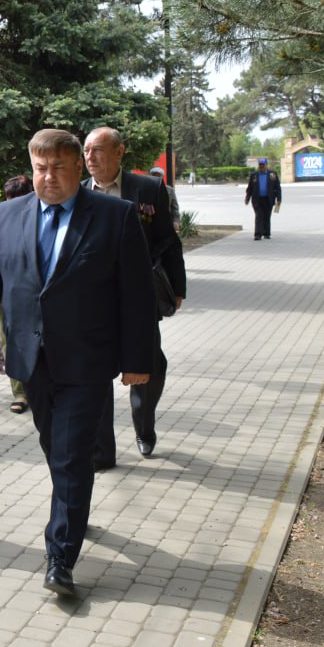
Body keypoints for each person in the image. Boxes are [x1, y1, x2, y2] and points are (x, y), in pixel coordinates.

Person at [0, 128, 155, 599]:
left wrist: (137, 359)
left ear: (76, 167)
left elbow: (137, 295)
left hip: (88, 360)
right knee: (56, 449)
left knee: (69, 455)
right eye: (40, 169)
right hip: (33, 361)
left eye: (59, 168)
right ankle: (73, 505)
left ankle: (60, 557)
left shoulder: (114, 216)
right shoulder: (8, 215)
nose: (48, 177)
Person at [83, 127, 187, 465]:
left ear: (119, 152)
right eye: (86, 150)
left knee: (149, 366)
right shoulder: (78, 193)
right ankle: (102, 451)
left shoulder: (148, 189)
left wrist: (178, 286)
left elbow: (168, 240)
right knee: (95, 373)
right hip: (94, 302)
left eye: (98, 150)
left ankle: (144, 428)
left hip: (138, 297)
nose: (90, 157)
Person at [0, 175, 34, 414]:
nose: (13, 204)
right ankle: (20, 392)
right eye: (9, 199)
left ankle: (38, 387)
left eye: (18, 198)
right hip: (7, 293)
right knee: (9, 342)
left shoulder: (41, 217)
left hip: (35, 293)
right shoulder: (1, 217)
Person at [245, 157, 282, 240]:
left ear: (266, 165)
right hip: (257, 199)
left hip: (269, 199)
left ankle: (266, 233)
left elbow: (277, 187)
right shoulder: (254, 175)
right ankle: (258, 234)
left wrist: (279, 199)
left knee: (267, 216)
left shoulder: (272, 174)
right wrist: (247, 198)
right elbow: (249, 188)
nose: (261, 166)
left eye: (263, 165)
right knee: (259, 216)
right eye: (260, 165)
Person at [148, 165, 181, 233]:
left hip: (166, 221)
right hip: (150, 222)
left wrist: (175, 221)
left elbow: (174, 207)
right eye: (154, 175)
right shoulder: (146, 189)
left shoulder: (170, 190)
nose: (156, 178)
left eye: (158, 176)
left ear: (162, 177)